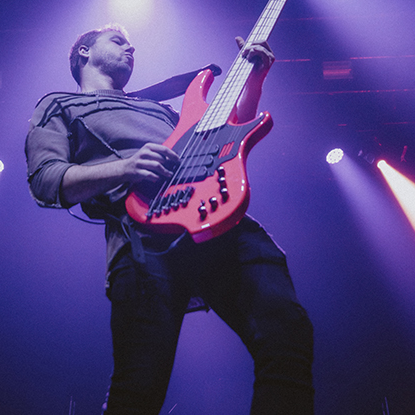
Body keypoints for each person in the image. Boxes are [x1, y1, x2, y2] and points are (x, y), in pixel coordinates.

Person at [25, 24, 314, 414]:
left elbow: (225, 141)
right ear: (83, 53)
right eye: (117, 41)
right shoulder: (59, 105)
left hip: (219, 221)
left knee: (288, 338)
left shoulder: (160, 109)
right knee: (138, 389)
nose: (131, 47)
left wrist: (254, 82)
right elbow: (46, 180)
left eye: (130, 42)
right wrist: (125, 168)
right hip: (142, 243)